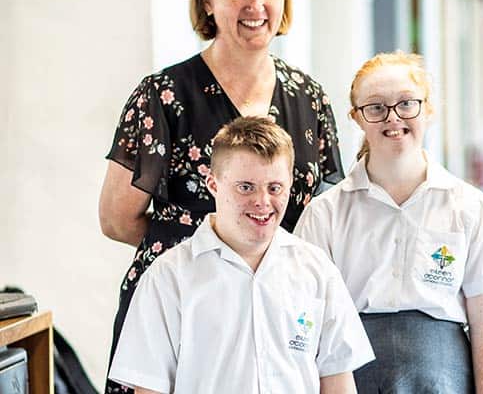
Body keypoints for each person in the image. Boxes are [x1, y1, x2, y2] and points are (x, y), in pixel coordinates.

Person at [98, 0, 343, 393]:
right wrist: (206, 264)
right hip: (180, 314)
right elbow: (116, 219)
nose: (255, 5)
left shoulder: (309, 99)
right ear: (207, 1)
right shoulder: (163, 96)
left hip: (277, 310)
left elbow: (320, 217)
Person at [295, 52, 483, 393]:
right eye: (375, 107)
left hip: (443, 380)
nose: (393, 118)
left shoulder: (470, 208)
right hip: (350, 377)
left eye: (406, 104)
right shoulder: (325, 214)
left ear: (428, 109)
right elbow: (307, 320)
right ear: (357, 118)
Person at [109, 117, 374, 393]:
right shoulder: (168, 277)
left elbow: (338, 384)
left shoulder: (318, 271)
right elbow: (149, 388)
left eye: (275, 188)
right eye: (246, 187)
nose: (262, 201)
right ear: (213, 184)